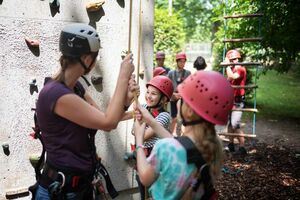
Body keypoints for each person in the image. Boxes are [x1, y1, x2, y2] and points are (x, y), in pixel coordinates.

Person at [34, 23, 138, 199]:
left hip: (77, 188)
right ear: (87, 59)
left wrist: (126, 101)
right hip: (62, 192)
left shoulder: (75, 88)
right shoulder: (57, 95)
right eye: (95, 58)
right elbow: (108, 123)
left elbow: (104, 117)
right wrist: (123, 75)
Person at [133, 71, 234, 199]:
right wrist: (151, 121)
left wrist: (139, 140)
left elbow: (145, 178)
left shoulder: (164, 147)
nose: (178, 101)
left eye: (182, 99)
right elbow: (177, 144)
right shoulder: (213, 147)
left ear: (190, 111)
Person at [123, 75, 173, 200]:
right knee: (142, 190)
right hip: (141, 157)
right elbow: (120, 116)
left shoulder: (164, 116)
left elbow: (143, 136)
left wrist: (137, 125)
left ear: (163, 99)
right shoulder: (144, 108)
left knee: (152, 194)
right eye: (148, 92)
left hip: (154, 160)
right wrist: (129, 97)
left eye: (154, 94)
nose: (149, 96)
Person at [225, 49, 247, 155]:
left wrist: (227, 66)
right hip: (231, 99)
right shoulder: (232, 69)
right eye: (232, 59)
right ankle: (231, 145)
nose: (234, 61)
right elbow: (228, 79)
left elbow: (233, 77)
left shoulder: (241, 69)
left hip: (238, 100)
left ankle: (242, 147)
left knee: (235, 124)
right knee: (230, 124)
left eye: (235, 59)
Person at [167, 52, 191, 135]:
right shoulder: (171, 73)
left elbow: (190, 87)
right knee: (173, 118)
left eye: (184, 61)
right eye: (181, 61)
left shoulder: (188, 73)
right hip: (173, 98)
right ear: (177, 62)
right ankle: (169, 135)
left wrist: (182, 95)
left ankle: (182, 136)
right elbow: (167, 86)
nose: (183, 63)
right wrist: (173, 94)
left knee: (183, 119)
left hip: (184, 99)